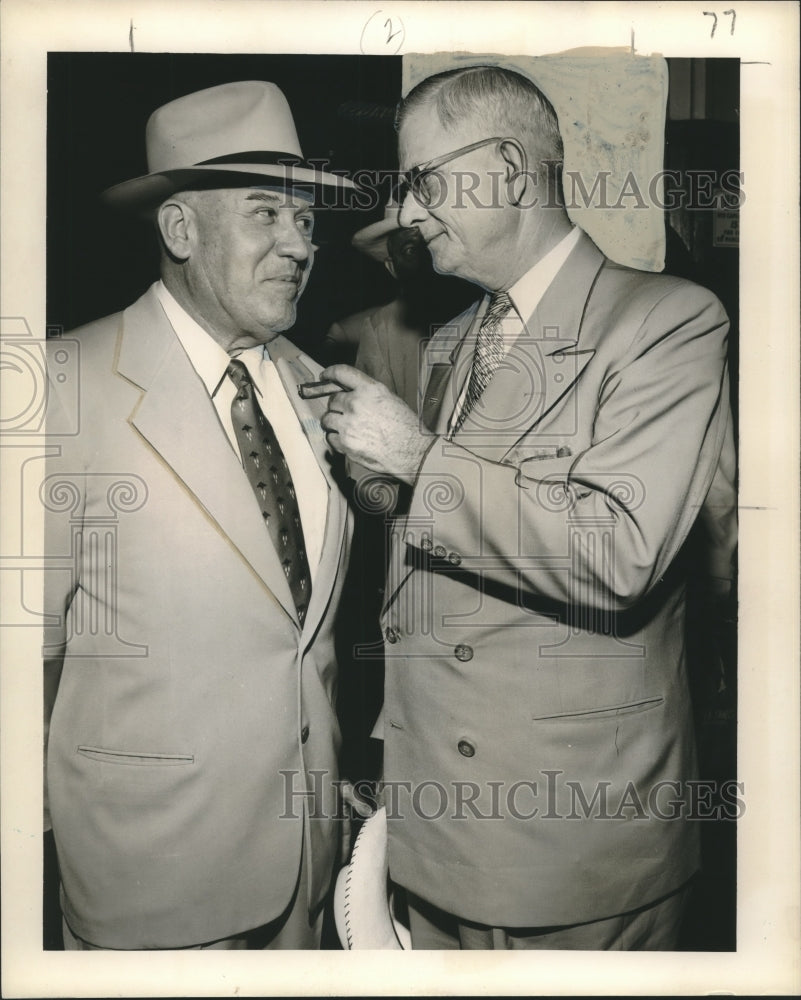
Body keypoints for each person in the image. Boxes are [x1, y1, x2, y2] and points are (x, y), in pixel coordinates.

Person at [320, 65, 737, 949]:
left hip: (569, 846)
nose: (409, 210)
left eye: (424, 180)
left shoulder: (664, 321)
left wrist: (412, 456)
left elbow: (618, 554)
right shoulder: (450, 341)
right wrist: (383, 485)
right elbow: (461, 537)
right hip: (436, 824)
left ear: (507, 171)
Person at [42, 80, 357, 950]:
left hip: (307, 867)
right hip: (147, 880)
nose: (300, 245)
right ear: (180, 230)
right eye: (267, 214)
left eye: (307, 222)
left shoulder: (307, 382)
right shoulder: (58, 386)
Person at [324, 201, 473, 409]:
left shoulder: (493, 311)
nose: (432, 260)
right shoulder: (381, 331)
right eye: (411, 250)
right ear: (393, 268)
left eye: (434, 243)